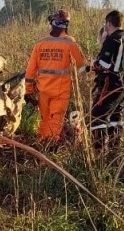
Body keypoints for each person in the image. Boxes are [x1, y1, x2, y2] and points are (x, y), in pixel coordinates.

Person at [24, 9, 88, 143]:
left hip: (43, 91)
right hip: (61, 90)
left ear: (53, 23)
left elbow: (30, 71)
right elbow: (81, 64)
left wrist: (28, 91)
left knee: (45, 118)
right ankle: (51, 143)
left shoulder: (40, 43)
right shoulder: (69, 42)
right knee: (55, 118)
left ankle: (42, 142)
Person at [89, 10, 124, 147]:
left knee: (97, 116)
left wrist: (92, 64)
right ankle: (115, 149)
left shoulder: (113, 39)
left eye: (106, 25)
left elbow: (103, 64)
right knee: (116, 117)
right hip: (123, 83)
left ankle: (99, 153)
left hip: (110, 84)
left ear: (108, 24)